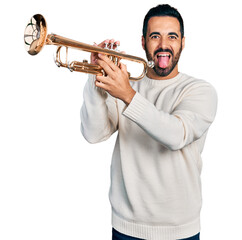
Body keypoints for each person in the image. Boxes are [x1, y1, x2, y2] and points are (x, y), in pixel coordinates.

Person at [80, 4, 217, 240]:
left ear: (183, 42)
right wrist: (97, 82)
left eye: (172, 37)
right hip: (125, 228)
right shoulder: (126, 85)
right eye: (155, 36)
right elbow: (93, 134)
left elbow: (176, 135)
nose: (164, 45)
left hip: (181, 231)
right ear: (143, 42)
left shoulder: (200, 91)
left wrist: (127, 95)